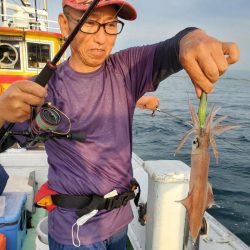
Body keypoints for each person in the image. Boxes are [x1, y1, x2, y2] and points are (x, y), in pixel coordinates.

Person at [0, 0, 239, 249]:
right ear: (64, 24)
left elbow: (171, 49)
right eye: (90, 23)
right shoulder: (39, 89)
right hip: (74, 233)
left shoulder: (127, 69)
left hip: (119, 223)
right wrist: (1, 112)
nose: (102, 38)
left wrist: (193, 38)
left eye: (111, 25)